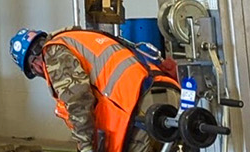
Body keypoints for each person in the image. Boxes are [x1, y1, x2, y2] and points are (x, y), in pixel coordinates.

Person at [10, 27, 180, 152]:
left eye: (34, 71)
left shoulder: (54, 54)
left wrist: (85, 147)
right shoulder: (78, 38)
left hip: (138, 107)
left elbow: (78, 100)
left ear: (34, 64)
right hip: (168, 93)